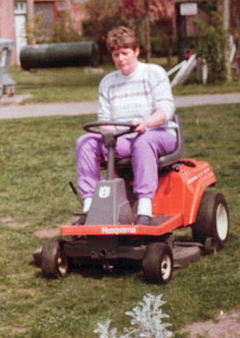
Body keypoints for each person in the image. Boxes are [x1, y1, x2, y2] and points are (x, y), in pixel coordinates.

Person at [74, 26, 178, 226]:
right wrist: (107, 130)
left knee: (143, 141)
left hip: (158, 133)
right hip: (122, 138)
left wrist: (146, 122)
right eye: (116, 54)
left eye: (125, 53)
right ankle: (89, 205)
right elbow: (104, 118)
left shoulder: (154, 73)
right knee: (85, 141)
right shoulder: (107, 82)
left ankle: (145, 207)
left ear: (136, 51)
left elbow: (166, 109)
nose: (121, 59)